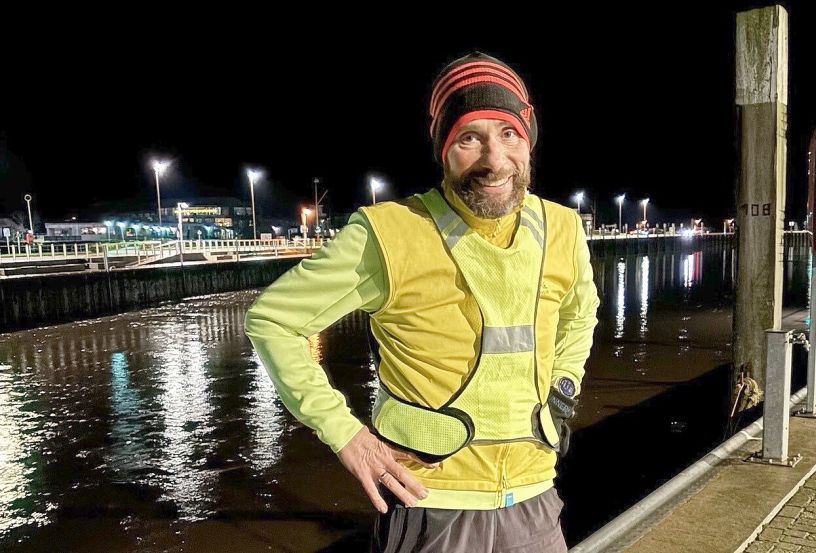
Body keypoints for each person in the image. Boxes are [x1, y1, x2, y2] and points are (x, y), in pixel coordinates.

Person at [245, 51, 599, 553]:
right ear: (442, 149)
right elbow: (274, 321)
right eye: (469, 138)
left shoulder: (564, 227)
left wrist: (564, 388)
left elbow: (580, 313)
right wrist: (347, 436)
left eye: (509, 134)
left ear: (530, 139)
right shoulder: (388, 234)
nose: (493, 160)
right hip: (433, 505)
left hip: (536, 500)